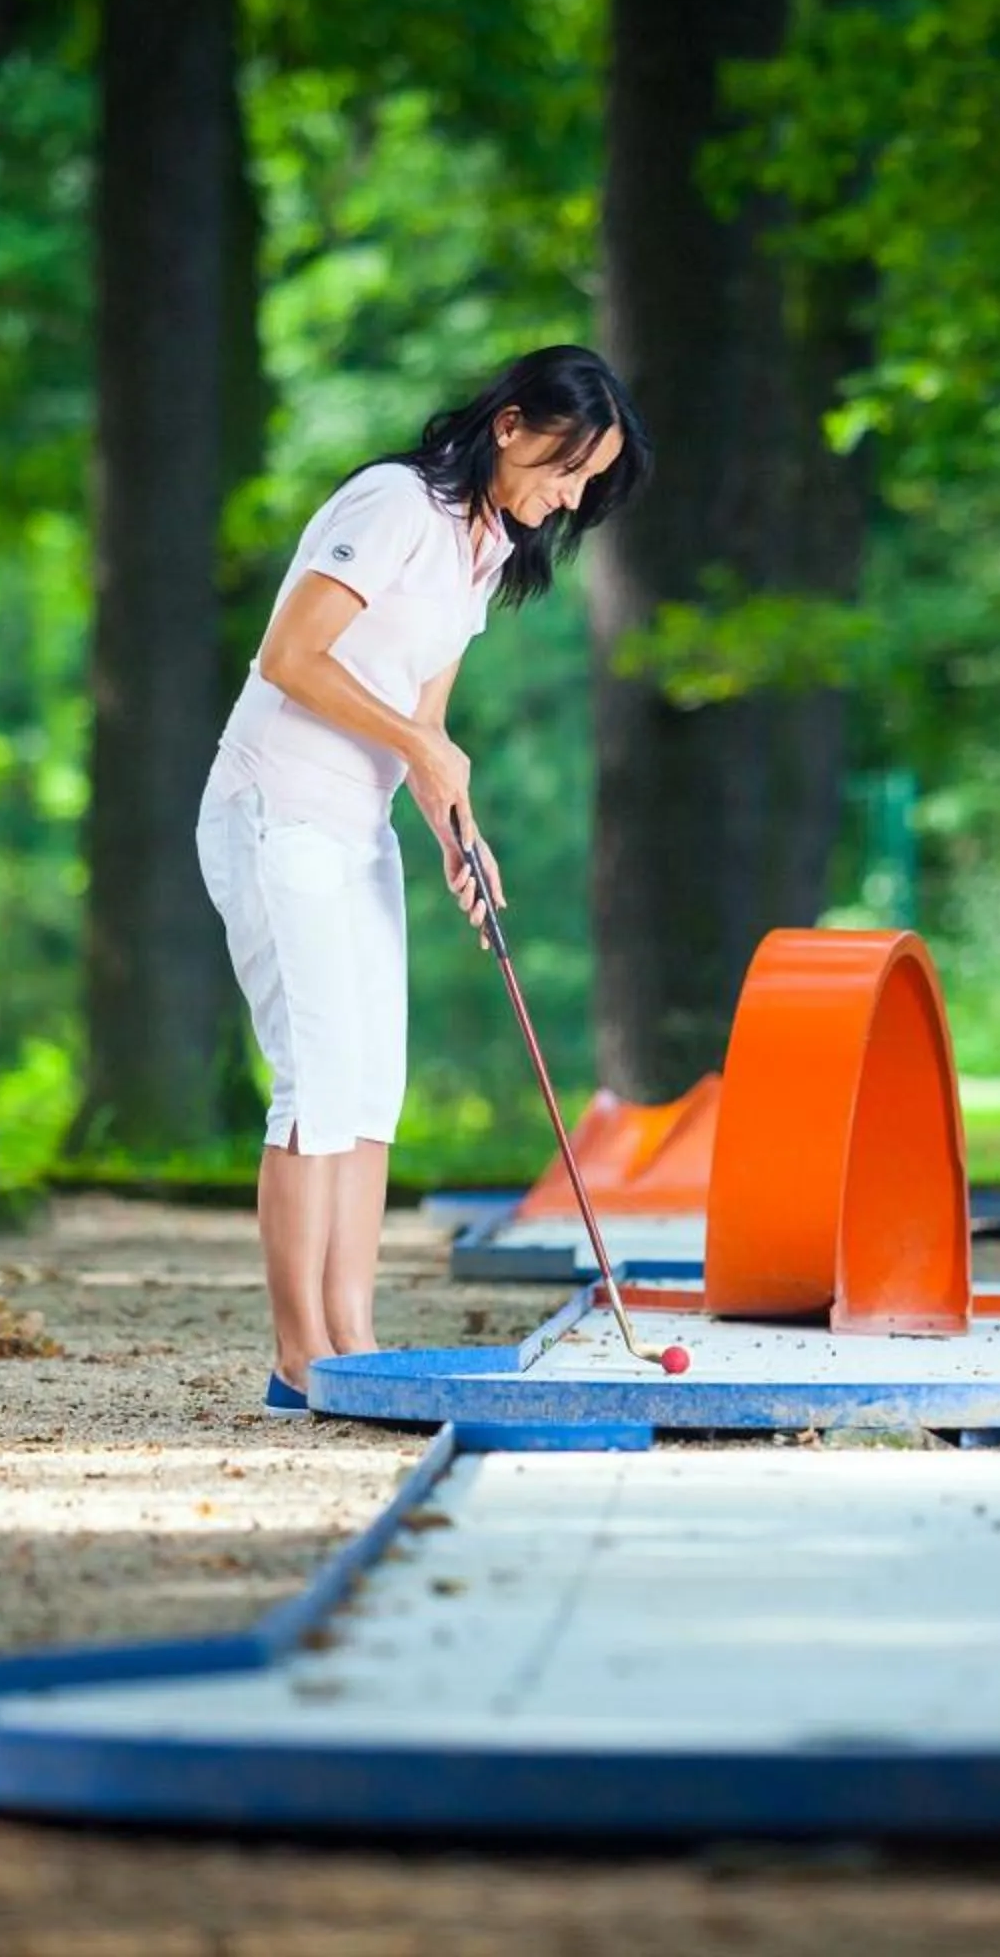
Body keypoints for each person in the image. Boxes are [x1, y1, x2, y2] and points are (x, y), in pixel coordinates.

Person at [196, 344, 650, 1413]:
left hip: (355, 824)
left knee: (369, 1089)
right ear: (510, 423)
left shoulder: (485, 549)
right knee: (314, 1084)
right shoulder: (396, 502)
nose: (569, 496)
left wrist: (459, 828)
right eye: (566, 465)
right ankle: (300, 1357)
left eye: (588, 485)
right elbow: (291, 656)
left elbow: (425, 726)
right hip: (274, 807)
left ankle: (354, 1337)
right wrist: (421, 748)